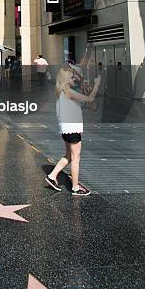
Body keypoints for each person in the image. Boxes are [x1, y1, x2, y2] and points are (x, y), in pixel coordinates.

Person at [45, 65, 101, 196]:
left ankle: (52, 176)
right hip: (72, 129)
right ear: (65, 78)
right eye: (71, 76)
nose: (73, 78)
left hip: (66, 129)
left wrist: (84, 87)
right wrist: (97, 85)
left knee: (69, 156)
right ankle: (75, 187)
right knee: (76, 158)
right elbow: (90, 99)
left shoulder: (62, 91)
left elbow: (85, 104)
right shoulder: (68, 91)